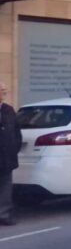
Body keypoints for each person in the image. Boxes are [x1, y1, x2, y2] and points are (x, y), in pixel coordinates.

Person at [0, 83, 21, 226]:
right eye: (1, 91)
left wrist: (14, 149)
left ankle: (4, 214)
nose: (3, 94)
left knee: (6, 186)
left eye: (4, 92)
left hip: (6, 156)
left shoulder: (8, 110)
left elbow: (16, 132)